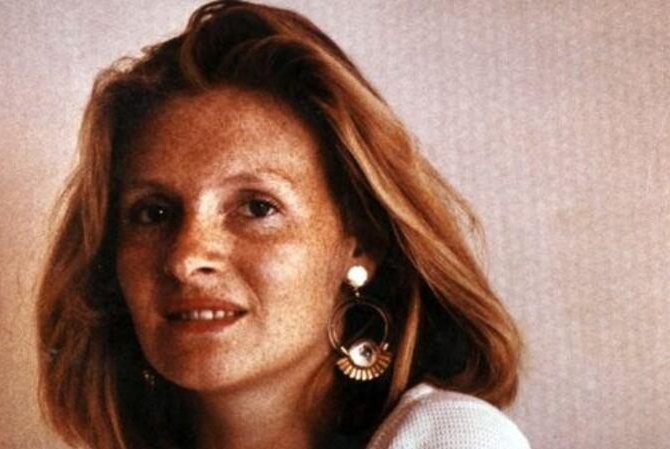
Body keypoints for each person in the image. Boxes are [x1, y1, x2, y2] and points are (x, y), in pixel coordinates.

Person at [35, 1, 530, 448]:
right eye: (154, 213)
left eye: (257, 208)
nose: (186, 258)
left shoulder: (452, 438)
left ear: (361, 244)